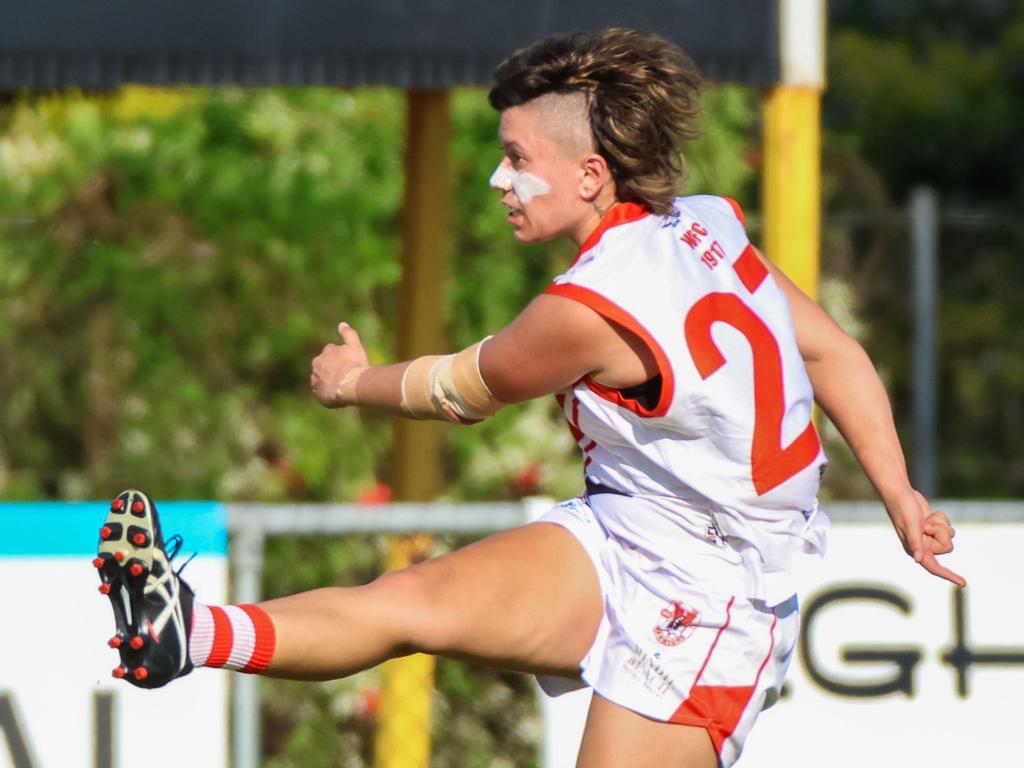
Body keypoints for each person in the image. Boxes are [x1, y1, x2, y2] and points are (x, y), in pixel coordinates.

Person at [94, 28, 964, 768]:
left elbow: (461, 388)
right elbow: (837, 353)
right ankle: (187, 632)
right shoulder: (707, 227)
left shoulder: (589, 309)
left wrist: (351, 383)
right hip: (630, 527)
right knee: (410, 605)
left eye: (516, 160)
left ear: (590, 174)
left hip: (716, 599)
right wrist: (899, 495)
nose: (498, 181)